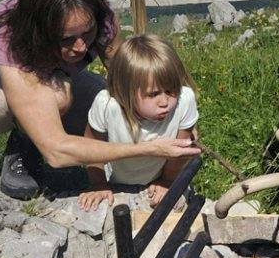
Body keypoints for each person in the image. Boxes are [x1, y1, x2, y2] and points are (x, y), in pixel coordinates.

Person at [0, 0, 195, 199]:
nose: (80, 47)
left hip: (55, 77)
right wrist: (148, 148)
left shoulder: (95, 14)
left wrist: (177, 120)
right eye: (66, 39)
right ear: (40, 32)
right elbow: (57, 152)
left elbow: (126, 78)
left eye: (88, 33)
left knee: (106, 100)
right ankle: (23, 145)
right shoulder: (12, 39)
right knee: (57, 96)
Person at [79, 33, 200, 211]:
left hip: (168, 173)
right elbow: (90, 146)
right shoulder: (107, 105)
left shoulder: (184, 99)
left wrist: (167, 181)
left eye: (171, 90)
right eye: (153, 94)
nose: (165, 102)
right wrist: (98, 184)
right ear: (125, 90)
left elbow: (179, 152)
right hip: (119, 178)